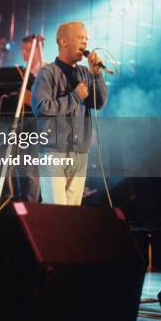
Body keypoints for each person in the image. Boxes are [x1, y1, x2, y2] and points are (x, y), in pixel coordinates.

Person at [31, 21, 107, 206]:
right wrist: (74, 96)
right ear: (64, 42)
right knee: (56, 212)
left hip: (80, 153)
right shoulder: (47, 73)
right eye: (81, 38)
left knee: (72, 214)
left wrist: (96, 75)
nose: (85, 43)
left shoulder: (85, 73)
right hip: (54, 152)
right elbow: (41, 107)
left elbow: (99, 103)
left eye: (86, 39)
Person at [15, 34, 45, 203]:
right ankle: (22, 204)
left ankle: (32, 207)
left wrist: (26, 97)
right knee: (21, 168)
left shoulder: (47, 70)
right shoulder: (23, 73)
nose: (24, 53)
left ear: (38, 50)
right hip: (22, 124)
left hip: (39, 126)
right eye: (23, 49)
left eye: (28, 49)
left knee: (32, 171)